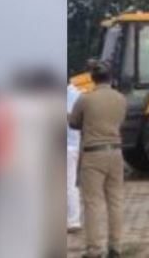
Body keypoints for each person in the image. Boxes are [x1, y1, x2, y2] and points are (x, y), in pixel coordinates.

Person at [68, 60, 127, 258]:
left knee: (92, 203)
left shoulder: (86, 99)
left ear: (93, 78)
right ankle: (116, 247)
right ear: (110, 77)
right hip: (116, 153)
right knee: (116, 201)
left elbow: (74, 122)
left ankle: (94, 250)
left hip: (93, 155)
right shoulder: (121, 99)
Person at [67, 83, 82, 233]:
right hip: (73, 145)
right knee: (71, 183)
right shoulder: (79, 94)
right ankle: (73, 220)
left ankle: (72, 219)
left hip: (68, 144)